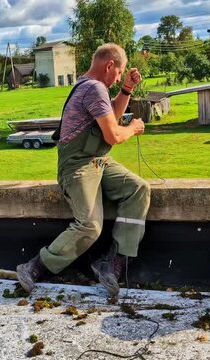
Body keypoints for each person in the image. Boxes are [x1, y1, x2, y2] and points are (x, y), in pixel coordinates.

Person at [16, 43, 151, 298]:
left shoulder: (91, 87)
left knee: (138, 189)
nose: (118, 78)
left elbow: (110, 115)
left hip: (97, 161)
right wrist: (133, 128)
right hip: (77, 165)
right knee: (89, 225)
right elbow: (112, 135)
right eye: (119, 74)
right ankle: (36, 266)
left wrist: (127, 89)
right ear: (109, 65)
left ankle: (112, 263)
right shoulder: (93, 88)